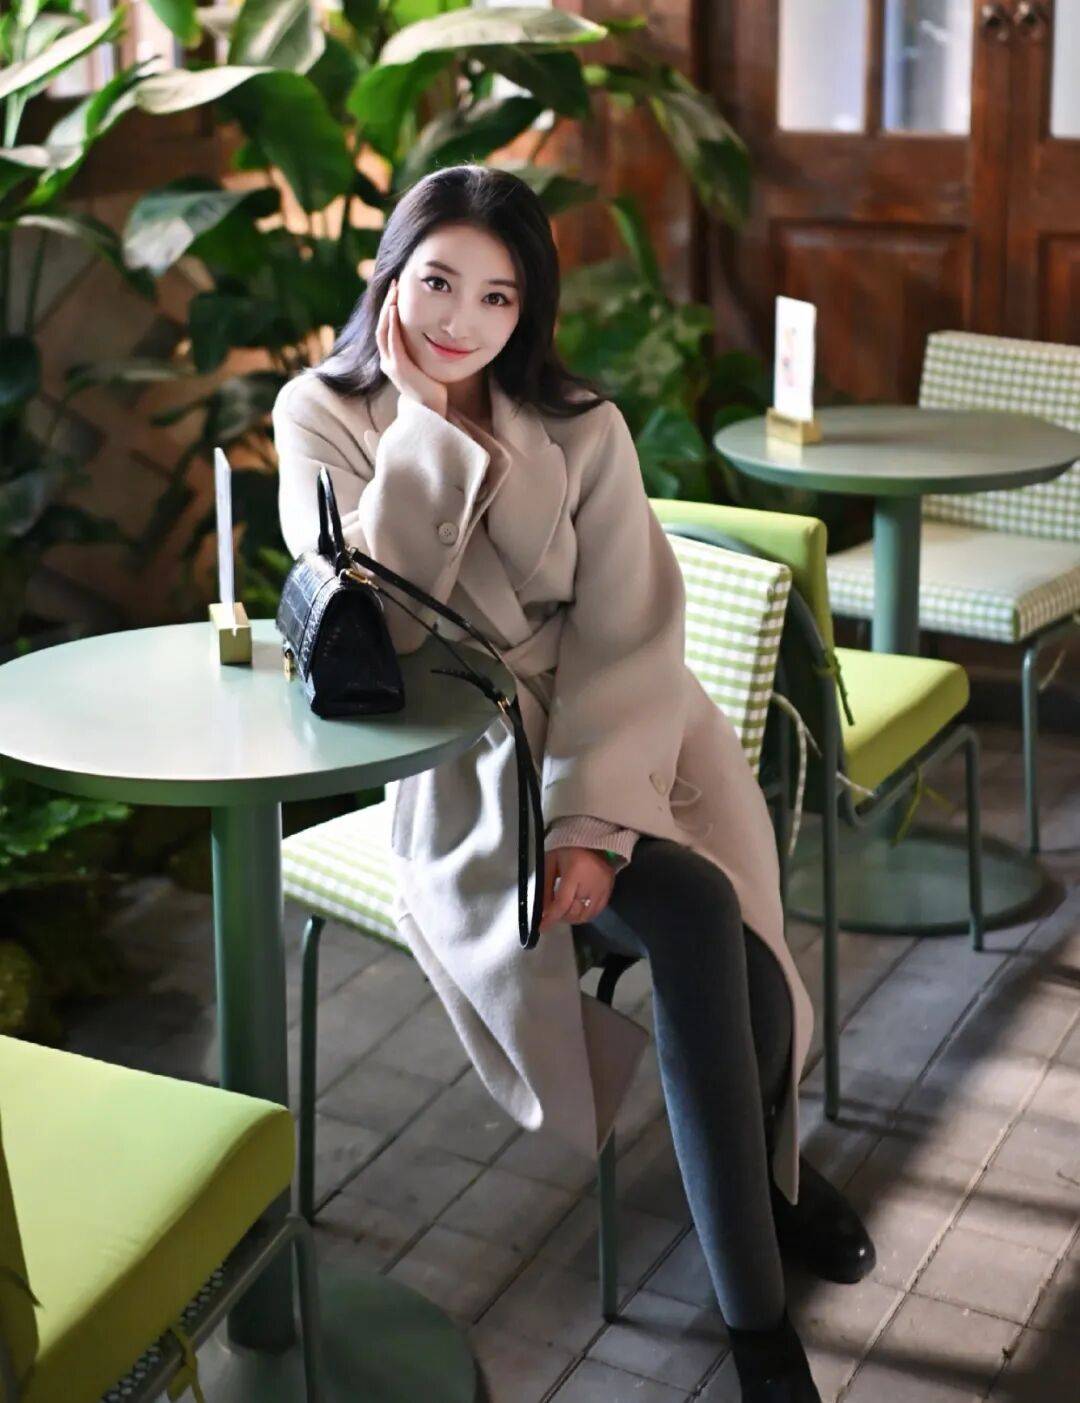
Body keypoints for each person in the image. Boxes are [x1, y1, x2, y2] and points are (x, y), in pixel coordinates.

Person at [274, 164, 875, 1402]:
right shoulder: (320, 413)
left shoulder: (582, 423)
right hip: (469, 760)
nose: (463, 320)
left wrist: (594, 820)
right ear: (389, 279)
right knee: (701, 913)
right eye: (438, 282)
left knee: (749, 945)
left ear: (528, 308)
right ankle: (760, 1323)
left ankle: (773, 1184)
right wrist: (428, 426)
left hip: (634, 724)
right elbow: (385, 625)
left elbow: (627, 628)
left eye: (498, 297)